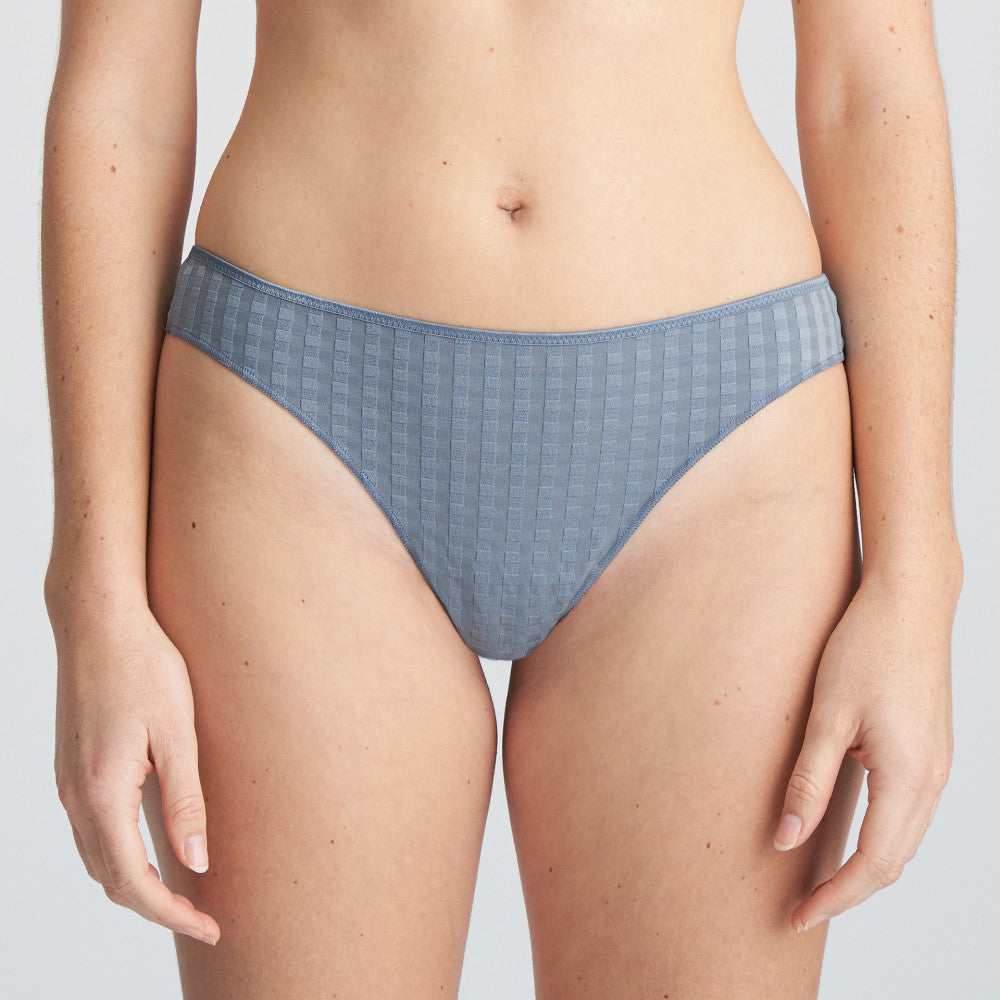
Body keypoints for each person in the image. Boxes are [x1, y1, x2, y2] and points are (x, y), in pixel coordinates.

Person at [40, 1, 961, 997]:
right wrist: (94, 598)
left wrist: (917, 577)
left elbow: (869, 87)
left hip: (722, 453)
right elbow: (123, 97)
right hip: (295, 421)